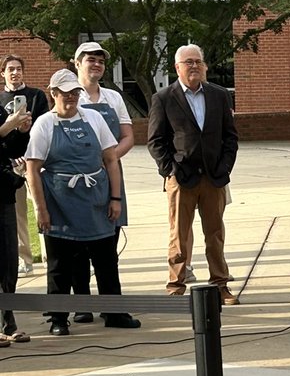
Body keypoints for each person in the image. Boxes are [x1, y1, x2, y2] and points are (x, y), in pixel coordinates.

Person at [25, 69, 140, 336]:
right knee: (60, 265)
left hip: (96, 202)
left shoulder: (94, 118)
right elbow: (33, 169)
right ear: (53, 94)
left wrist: (115, 198)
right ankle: (58, 317)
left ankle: (115, 312)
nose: (71, 97)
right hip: (60, 205)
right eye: (66, 93)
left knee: (106, 260)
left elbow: (111, 160)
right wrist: (41, 210)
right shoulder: (44, 124)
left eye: (75, 92)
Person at [147, 44, 239, 303]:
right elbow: (155, 141)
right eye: (188, 62)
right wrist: (169, 171)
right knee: (179, 235)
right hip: (181, 178)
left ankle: (220, 284)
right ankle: (176, 285)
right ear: (177, 67)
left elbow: (230, 137)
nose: (194, 66)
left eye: (198, 61)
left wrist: (225, 168)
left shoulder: (219, 95)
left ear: (205, 66)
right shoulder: (164, 98)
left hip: (213, 177)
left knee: (215, 234)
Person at [70, 41, 135, 324]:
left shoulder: (113, 98)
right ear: (77, 63)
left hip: (110, 176)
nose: (96, 64)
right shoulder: (71, 96)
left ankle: (111, 306)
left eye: (100, 60)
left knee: (108, 243)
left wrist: (108, 159)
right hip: (78, 178)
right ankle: (82, 304)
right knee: (78, 246)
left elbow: (128, 136)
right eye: (90, 60)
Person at [0, 54, 50, 275]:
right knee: (19, 213)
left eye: (18, 68)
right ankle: (25, 259)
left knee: (43, 207)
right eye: (10, 69)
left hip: (34, 162)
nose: (15, 72)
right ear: (3, 73)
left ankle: (51, 256)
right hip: (10, 165)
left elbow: (44, 128)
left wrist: (26, 132)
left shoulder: (36, 96)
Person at [0, 100, 34, 344]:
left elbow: (11, 150)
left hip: (4, 194)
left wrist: (20, 132)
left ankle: (8, 322)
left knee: (9, 261)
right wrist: (6, 126)